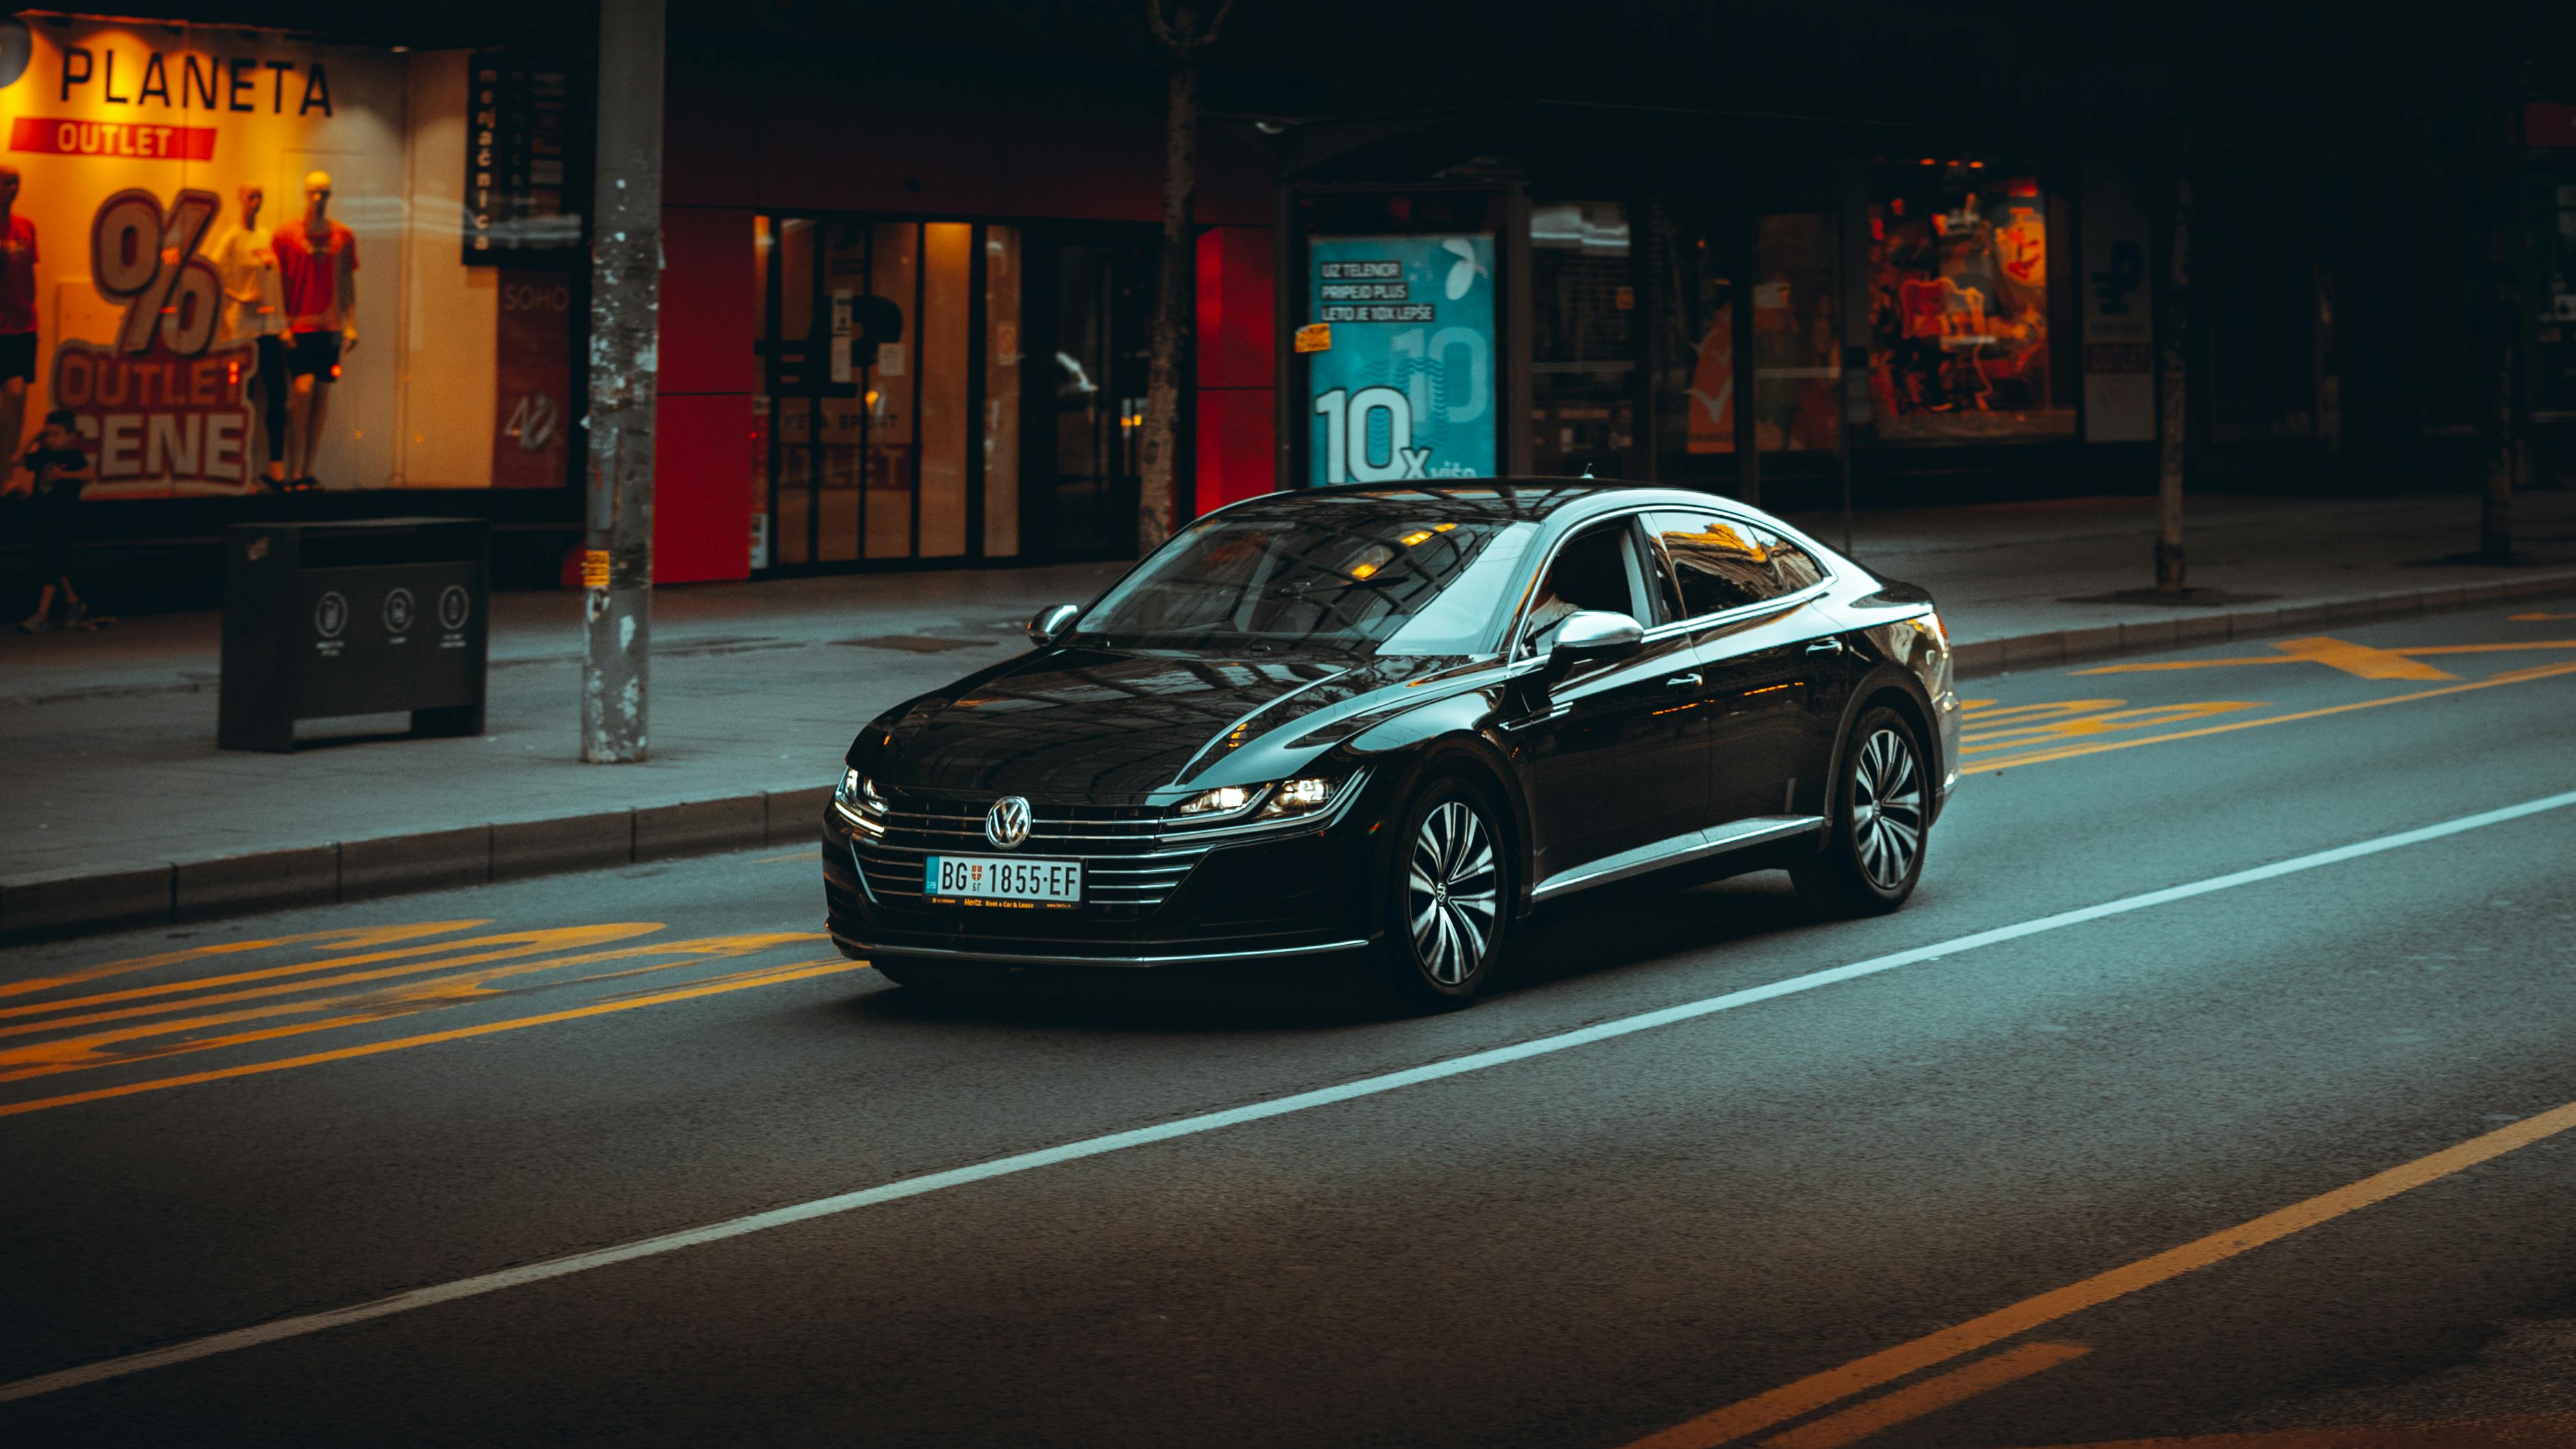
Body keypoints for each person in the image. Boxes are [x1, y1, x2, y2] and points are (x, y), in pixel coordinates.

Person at [274, 169, 358, 490]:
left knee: (322, 397)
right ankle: (294, 470)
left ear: (331, 195)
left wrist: (352, 324)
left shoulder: (343, 236)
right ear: (305, 194)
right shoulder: (286, 235)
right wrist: (281, 323)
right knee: (302, 394)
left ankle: (307, 471)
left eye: (324, 193)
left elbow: (348, 281)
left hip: (330, 326)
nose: (319, 199)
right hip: (299, 327)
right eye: (314, 192)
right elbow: (276, 283)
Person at [210, 183, 290, 488]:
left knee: (278, 398)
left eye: (261, 197)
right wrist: (238, 296)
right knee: (244, 401)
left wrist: (282, 324)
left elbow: (274, 283)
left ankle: (275, 465)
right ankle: (239, 469)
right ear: (241, 199)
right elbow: (210, 274)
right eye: (252, 196)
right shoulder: (232, 238)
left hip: (269, 329)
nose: (257, 202)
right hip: (243, 331)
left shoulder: (266, 237)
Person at [8, 409, 90, 632]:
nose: (51, 439)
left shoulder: (73, 457)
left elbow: (89, 474)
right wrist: (34, 438)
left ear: (70, 436)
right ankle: (73, 601)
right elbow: (16, 460)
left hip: (62, 519)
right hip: (43, 517)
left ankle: (42, 614)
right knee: (51, 561)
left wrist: (64, 476)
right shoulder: (42, 456)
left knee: (51, 563)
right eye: (48, 435)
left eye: (57, 434)